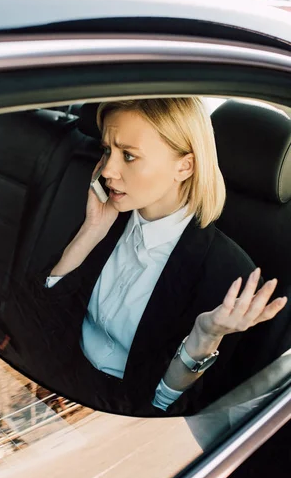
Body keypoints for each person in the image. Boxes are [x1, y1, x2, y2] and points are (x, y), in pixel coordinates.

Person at [19, 97, 287, 417]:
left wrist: (202, 338)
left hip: (113, 419)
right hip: (46, 387)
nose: (107, 170)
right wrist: (90, 232)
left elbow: (167, 410)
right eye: (107, 150)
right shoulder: (109, 216)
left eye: (129, 156)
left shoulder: (227, 274)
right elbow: (35, 318)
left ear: (184, 166)